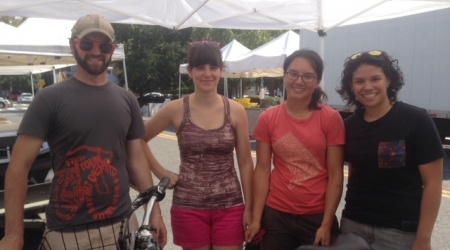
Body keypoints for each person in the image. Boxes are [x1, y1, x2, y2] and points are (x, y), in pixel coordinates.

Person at [0, 14, 167, 250]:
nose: (96, 51)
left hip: (123, 226)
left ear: (112, 49)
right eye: (87, 44)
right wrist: (13, 235)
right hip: (67, 235)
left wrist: (155, 215)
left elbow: (137, 159)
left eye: (104, 45)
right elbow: (18, 167)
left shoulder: (127, 99)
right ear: (73, 45)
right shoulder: (49, 99)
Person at [141, 40, 254, 250]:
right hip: (188, 208)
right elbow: (138, 138)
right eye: (200, 68)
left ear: (221, 71)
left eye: (213, 67)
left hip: (230, 206)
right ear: (190, 72)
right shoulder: (175, 109)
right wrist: (160, 171)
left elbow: (246, 163)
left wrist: (251, 207)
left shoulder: (236, 111)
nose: (207, 74)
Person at [336, 50, 444, 250]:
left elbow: (433, 183)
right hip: (353, 226)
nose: (367, 87)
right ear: (351, 87)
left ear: (388, 80)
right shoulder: (349, 125)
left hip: (399, 233)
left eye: (375, 79)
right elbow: (353, 174)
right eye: (359, 81)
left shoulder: (416, 120)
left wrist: (423, 238)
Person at [247, 49, 345, 250]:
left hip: (316, 217)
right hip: (276, 215)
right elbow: (263, 170)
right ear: (285, 75)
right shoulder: (268, 118)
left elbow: (336, 175)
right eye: (293, 74)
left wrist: (326, 224)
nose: (299, 81)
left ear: (317, 81)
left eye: (308, 76)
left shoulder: (331, 118)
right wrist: (257, 218)